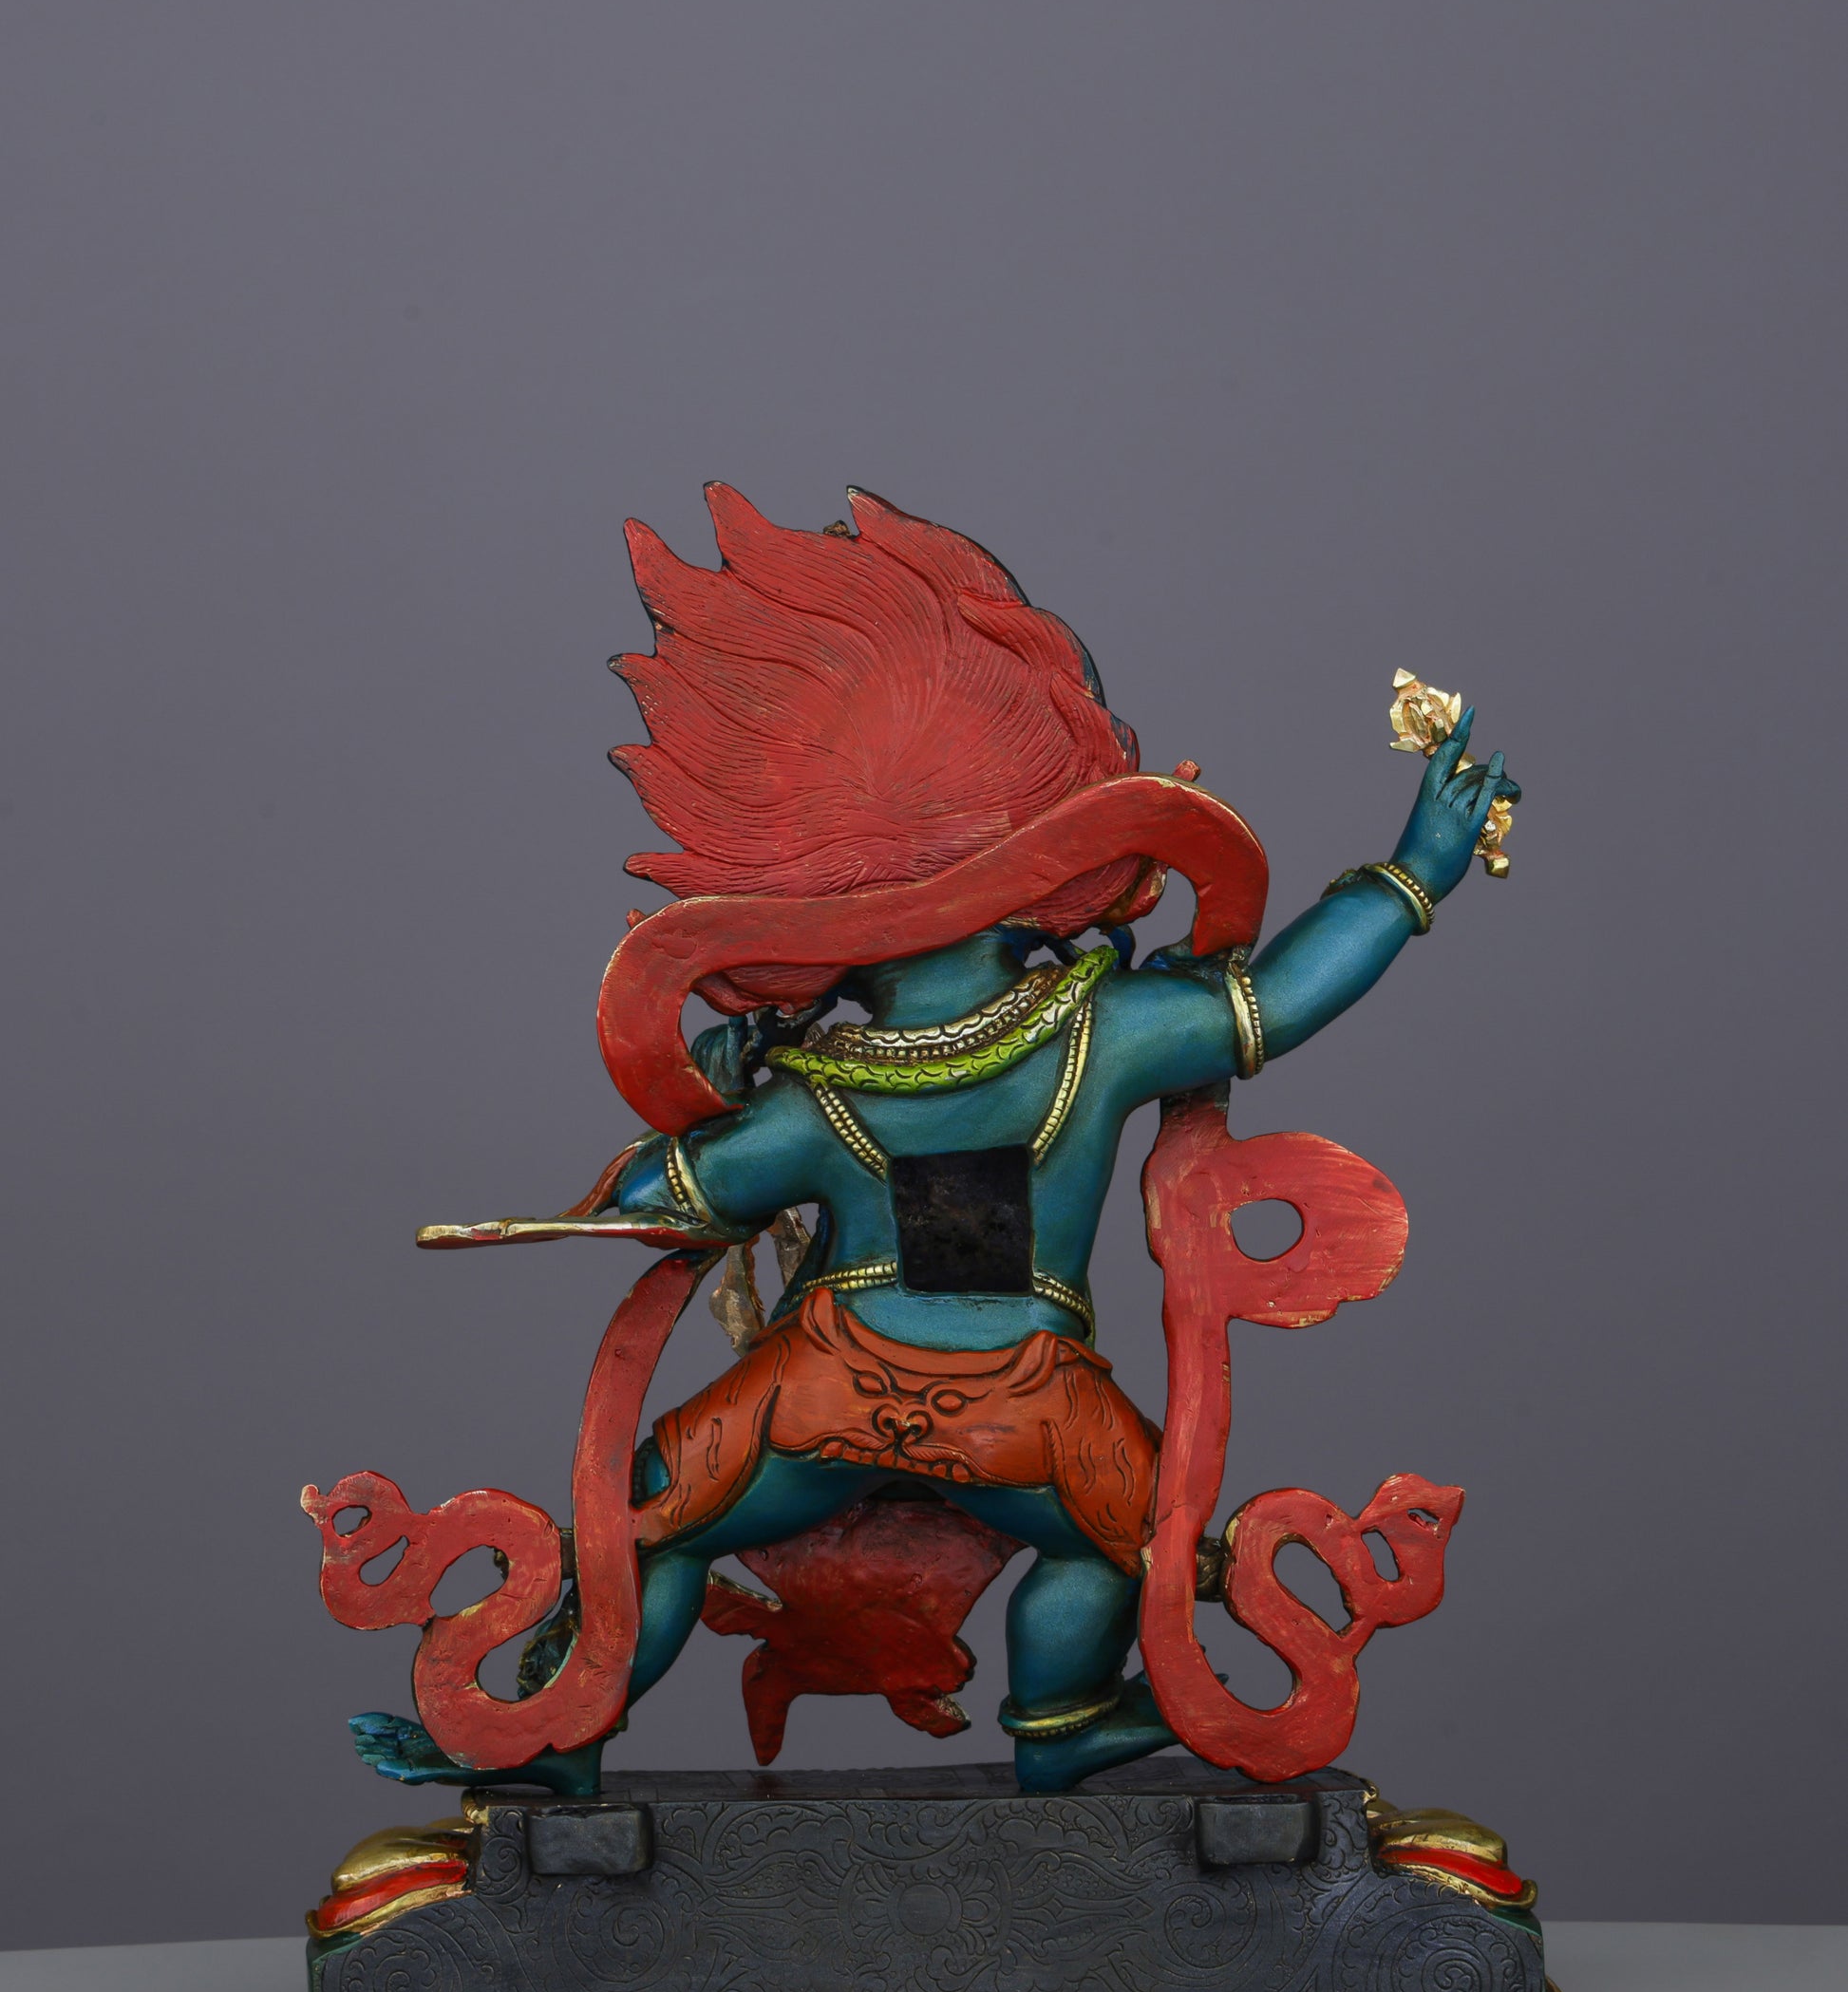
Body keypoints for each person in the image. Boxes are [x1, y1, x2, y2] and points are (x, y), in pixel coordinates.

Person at [353, 484, 1515, 1796]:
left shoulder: (814, 1097)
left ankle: (560, 1740)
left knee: (644, 1529)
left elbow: (672, 1200)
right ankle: (1063, 1722)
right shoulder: (1105, 1035)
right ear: (1037, 860)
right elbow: (1281, 999)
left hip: (821, 1395)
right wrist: (1416, 870)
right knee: (1134, 1554)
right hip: (1035, 1413)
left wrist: (696, 1115)